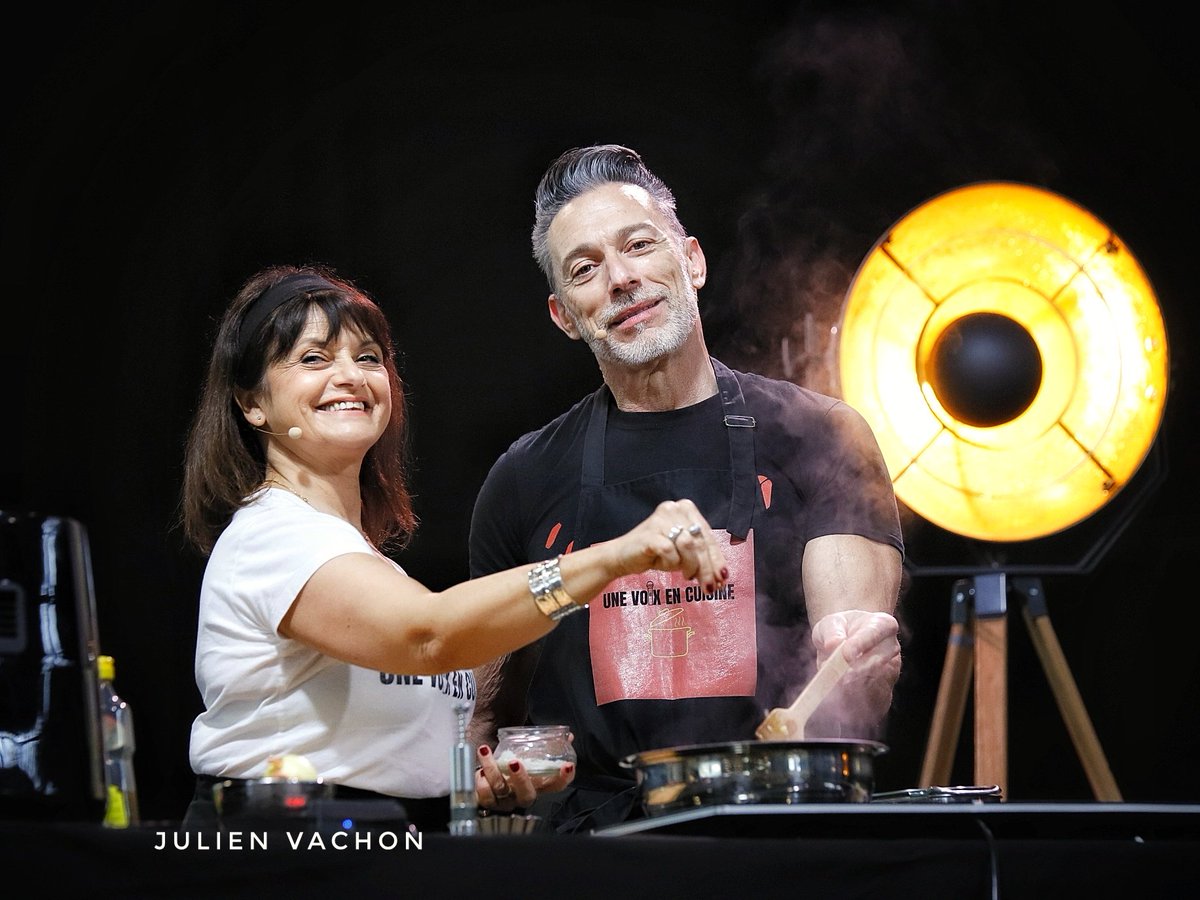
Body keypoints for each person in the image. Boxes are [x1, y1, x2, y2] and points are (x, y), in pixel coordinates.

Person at [178, 263, 729, 833]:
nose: (350, 376)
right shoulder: (271, 536)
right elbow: (430, 635)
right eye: (314, 359)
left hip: (386, 842)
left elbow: (391, 737)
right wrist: (616, 556)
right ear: (252, 404)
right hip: (279, 847)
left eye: (368, 358)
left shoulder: (366, 562)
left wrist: (468, 785)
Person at [468, 145, 905, 832]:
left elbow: (849, 680)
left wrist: (860, 660)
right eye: (585, 269)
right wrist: (491, 775)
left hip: (778, 836)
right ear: (564, 315)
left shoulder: (822, 437)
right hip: (594, 855)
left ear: (692, 262)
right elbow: (489, 722)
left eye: (639, 246)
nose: (620, 279)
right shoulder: (524, 480)